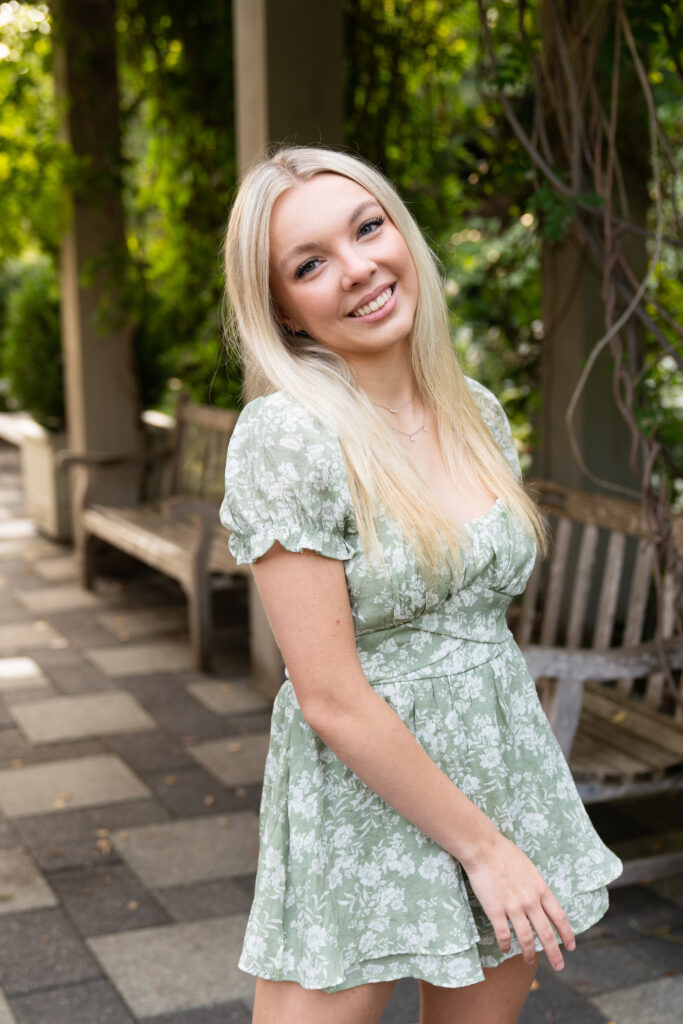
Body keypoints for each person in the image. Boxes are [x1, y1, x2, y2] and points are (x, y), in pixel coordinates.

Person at [219, 146, 622, 1024]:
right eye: (310, 263)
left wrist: (501, 831)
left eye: (368, 228)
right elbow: (327, 695)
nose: (358, 267)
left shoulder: (473, 408)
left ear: (400, 231)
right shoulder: (288, 436)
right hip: (364, 793)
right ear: (283, 308)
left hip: (497, 765)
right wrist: (483, 851)